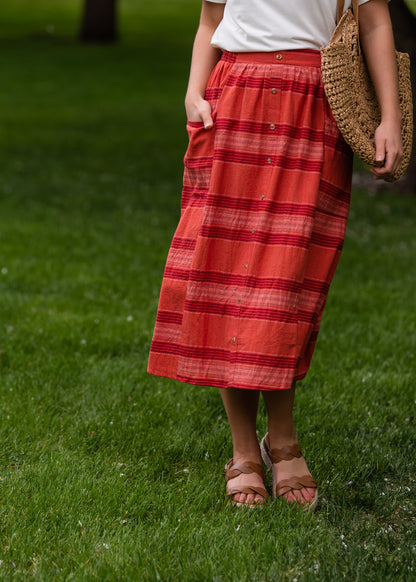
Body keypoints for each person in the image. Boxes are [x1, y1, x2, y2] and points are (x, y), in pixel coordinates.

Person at [147, 0, 403, 510]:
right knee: (224, 281)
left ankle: (282, 440)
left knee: (285, 287)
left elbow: (375, 20)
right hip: (233, 102)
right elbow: (210, 21)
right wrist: (193, 93)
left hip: (313, 105)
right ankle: (244, 450)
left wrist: (389, 116)